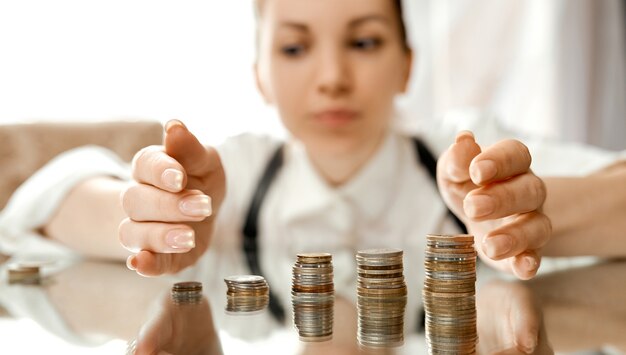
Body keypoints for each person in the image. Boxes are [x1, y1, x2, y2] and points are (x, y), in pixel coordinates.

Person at [1, 0, 625, 352]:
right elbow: (43, 205)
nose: (331, 77)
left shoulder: (465, 148)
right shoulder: (232, 177)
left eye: (363, 42)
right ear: (260, 75)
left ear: (408, 66)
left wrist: (531, 214)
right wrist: (141, 217)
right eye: (296, 48)